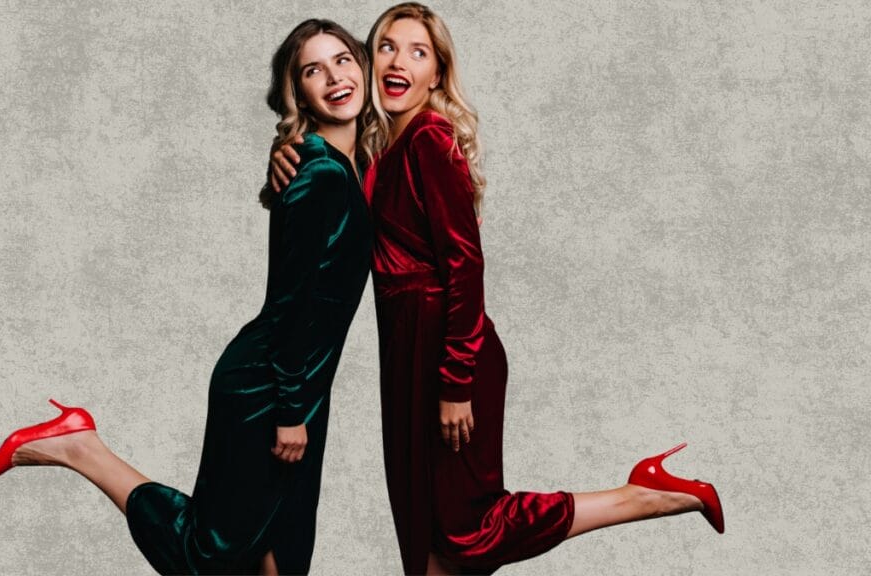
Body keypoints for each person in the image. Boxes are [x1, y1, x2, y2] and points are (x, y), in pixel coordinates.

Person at [268, 4, 723, 574]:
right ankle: (643, 491)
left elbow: (465, 265)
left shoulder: (431, 139)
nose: (398, 60)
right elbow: (329, 179)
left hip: (448, 355)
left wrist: (455, 382)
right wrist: (288, 148)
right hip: (407, 353)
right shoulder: (379, 148)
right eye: (386, 46)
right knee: (429, 536)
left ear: (437, 73)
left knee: (465, 532)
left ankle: (645, 494)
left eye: (418, 51)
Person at [0, 19, 372, 575]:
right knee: (210, 556)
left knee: (279, 560)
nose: (334, 77)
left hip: (302, 390)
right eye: (314, 69)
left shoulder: (355, 164)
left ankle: (80, 445)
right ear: (298, 93)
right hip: (269, 389)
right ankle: (80, 447)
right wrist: (288, 411)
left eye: (343, 60)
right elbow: (291, 302)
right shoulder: (318, 175)